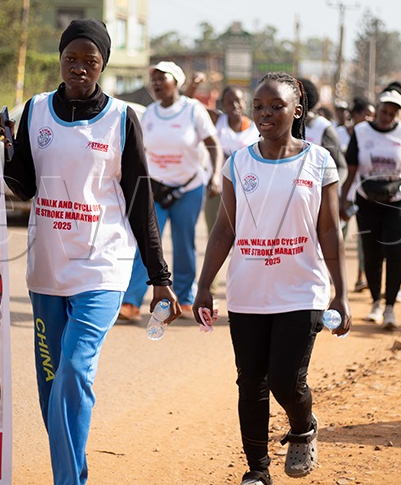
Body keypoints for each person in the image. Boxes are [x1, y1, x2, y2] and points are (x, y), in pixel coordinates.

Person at [0, 19, 177, 485]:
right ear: (59, 59)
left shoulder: (121, 118)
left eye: (89, 61)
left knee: (74, 369)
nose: (79, 68)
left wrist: (160, 278)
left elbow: (139, 199)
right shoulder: (35, 111)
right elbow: (24, 187)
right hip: (47, 270)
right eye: (71, 58)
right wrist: (6, 150)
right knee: (51, 387)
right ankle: (72, 473)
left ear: (103, 65)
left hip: (103, 267)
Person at [193, 72, 351, 485]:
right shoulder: (239, 162)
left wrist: (340, 293)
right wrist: (204, 284)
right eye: (259, 106)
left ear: (296, 110)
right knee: (251, 383)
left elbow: (330, 230)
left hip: (302, 290)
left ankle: (302, 426)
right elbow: (224, 229)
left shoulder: (319, 161)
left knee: (285, 378)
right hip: (247, 292)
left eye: (275, 106)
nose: (265, 114)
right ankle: (257, 471)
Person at [120, 60, 220, 321]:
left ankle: (185, 299)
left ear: (175, 82)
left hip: (188, 187)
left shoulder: (193, 110)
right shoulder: (150, 113)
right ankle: (131, 302)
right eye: (153, 79)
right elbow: (139, 150)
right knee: (147, 243)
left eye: (161, 78)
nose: (156, 83)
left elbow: (212, 144)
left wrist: (216, 175)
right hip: (155, 190)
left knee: (184, 243)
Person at [339, 82, 401, 331]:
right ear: (378, 108)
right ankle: (375, 302)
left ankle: (390, 305)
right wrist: (343, 198)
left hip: (400, 200)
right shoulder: (360, 132)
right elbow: (351, 170)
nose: (387, 116)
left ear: (398, 114)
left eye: (393, 113)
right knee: (372, 254)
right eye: (384, 111)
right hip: (367, 200)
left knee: (395, 252)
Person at [203, 86, 260, 233]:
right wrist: (194, 86)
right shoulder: (217, 120)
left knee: (242, 233)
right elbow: (190, 106)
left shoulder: (256, 128)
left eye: (238, 101)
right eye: (230, 102)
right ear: (223, 104)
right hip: (217, 188)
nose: (235, 105)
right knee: (215, 232)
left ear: (245, 103)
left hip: (245, 190)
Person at [344, 97, 375, 294]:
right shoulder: (339, 134)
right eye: (367, 114)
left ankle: (361, 276)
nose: (370, 118)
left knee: (365, 238)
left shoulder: (373, 136)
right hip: (342, 194)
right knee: (339, 235)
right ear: (355, 115)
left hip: (366, 194)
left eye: (372, 115)